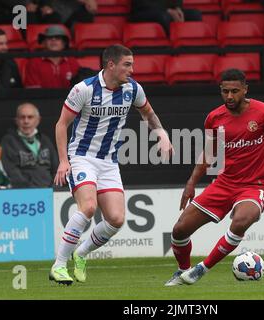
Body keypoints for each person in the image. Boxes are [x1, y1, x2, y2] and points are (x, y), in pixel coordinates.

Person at [49, 44, 173, 285]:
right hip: (81, 156)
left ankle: (81, 253)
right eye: (127, 64)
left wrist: (162, 133)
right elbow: (61, 124)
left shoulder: (133, 89)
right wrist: (64, 161)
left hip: (109, 162)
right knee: (87, 207)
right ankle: (59, 265)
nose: (132, 69)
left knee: (116, 219)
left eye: (132, 64)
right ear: (111, 65)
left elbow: (148, 113)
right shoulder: (84, 89)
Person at [165, 68, 264, 286]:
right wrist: (191, 183)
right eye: (225, 91)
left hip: (253, 186)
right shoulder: (214, 118)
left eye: (235, 91)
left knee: (239, 222)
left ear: (245, 90)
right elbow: (209, 153)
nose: (230, 96)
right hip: (224, 183)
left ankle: (202, 269)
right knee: (179, 230)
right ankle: (183, 270)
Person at [0, 103, 59, 188]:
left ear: (38, 120)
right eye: (22, 117)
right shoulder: (9, 141)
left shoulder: (45, 140)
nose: (26, 121)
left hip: (51, 191)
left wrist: (54, 188)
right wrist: (30, 189)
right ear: (16, 120)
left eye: (30, 117)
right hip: (24, 193)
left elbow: (56, 169)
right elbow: (11, 170)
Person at [130, 0, 202, 35]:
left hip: (167, 10)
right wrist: (167, 10)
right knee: (164, 17)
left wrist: (178, 8)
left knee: (195, 14)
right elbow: (142, 3)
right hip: (143, 11)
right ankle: (171, 46)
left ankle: (191, 46)